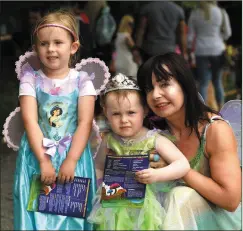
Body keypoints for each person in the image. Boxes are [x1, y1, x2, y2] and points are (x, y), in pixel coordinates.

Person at [136, 52, 241, 230]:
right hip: (170, 218)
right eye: (148, 89)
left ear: (184, 85)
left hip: (218, 219)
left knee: (179, 195)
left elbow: (230, 200)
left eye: (164, 84)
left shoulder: (215, 130)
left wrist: (177, 168)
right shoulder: (155, 134)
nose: (155, 95)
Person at [13, 10, 97, 230]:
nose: (50, 49)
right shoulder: (30, 80)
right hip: (37, 154)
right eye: (43, 44)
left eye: (58, 42)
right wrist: (43, 161)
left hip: (73, 153)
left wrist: (71, 160)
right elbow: (30, 121)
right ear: (36, 48)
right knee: (37, 212)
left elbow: (84, 122)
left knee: (72, 214)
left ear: (73, 47)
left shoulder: (83, 81)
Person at [87, 73, 190, 230]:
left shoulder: (153, 139)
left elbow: (182, 164)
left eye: (131, 113)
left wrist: (157, 175)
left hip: (148, 204)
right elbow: (99, 166)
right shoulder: (109, 140)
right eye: (116, 114)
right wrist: (100, 184)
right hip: (115, 202)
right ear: (106, 113)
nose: (124, 120)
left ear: (145, 111)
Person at [187, 1, 232, 109]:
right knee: (217, 81)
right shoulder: (221, 12)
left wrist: (189, 49)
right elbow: (228, 33)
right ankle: (222, 110)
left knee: (203, 83)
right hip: (218, 50)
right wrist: (219, 37)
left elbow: (190, 35)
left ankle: (203, 111)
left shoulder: (195, 13)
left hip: (201, 50)